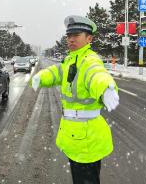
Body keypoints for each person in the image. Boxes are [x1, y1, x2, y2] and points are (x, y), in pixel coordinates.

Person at [31, 15, 119, 184]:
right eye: (69, 36)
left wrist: (106, 88)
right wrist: (41, 77)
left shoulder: (89, 60)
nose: (71, 39)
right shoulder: (72, 59)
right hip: (75, 137)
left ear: (89, 38)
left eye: (76, 35)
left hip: (86, 139)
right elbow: (58, 72)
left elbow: (97, 74)